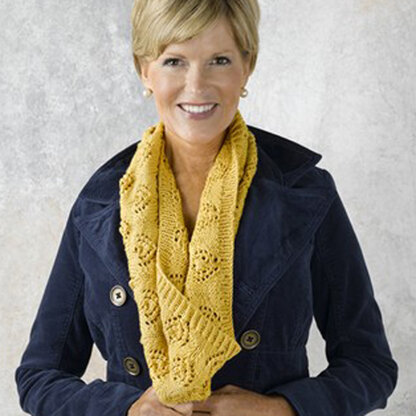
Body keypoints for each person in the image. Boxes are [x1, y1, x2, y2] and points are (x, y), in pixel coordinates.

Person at [15, 0, 398, 415]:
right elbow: (39, 377)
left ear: (247, 66)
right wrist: (127, 410)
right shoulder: (100, 204)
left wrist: (279, 409)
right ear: (144, 69)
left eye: (219, 60)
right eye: (174, 61)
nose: (196, 86)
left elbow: (370, 366)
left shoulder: (306, 194)